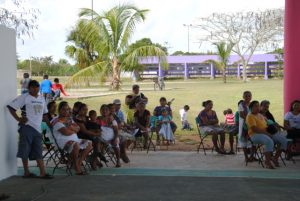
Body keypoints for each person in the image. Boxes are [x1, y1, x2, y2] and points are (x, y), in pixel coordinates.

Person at [7, 80, 53, 179]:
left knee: (38, 150)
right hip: (27, 127)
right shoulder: (24, 97)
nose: (35, 89)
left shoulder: (42, 98)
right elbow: (11, 107)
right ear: (29, 88)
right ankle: (26, 172)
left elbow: (45, 114)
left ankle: (42, 173)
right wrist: (19, 119)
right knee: (25, 149)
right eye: (33, 87)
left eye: (37, 87)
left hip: (38, 128)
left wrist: (50, 125)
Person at [52, 101, 92, 175]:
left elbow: (78, 128)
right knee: (76, 145)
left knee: (89, 143)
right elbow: (66, 132)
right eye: (63, 109)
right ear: (59, 110)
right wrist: (73, 130)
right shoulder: (56, 121)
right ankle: (77, 167)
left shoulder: (69, 119)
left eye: (67, 109)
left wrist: (71, 128)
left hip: (75, 140)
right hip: (63, 143)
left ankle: (78, 163)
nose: (66, 111)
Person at [246, 101, 276, 169]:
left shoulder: (260, 115)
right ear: (251, 108)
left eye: (258, 106)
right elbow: (255, 129)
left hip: (263, 133)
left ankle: (273, 158)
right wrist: (267, 133)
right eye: (255, 106)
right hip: (254, 135)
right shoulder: (250, 116)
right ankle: (267, 162)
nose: (257, 107)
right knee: (269, 141)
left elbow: (269, 122)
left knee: (278, 139)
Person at [74, 103, 103, 170]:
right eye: (83, 109)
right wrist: (95, 134)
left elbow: (92, 124)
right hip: (81, 136)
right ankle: (94, 159)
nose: (85, 111)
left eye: (86, 109)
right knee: (97, 140)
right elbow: (84, 131)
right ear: (79, 110)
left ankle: (94, 158)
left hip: (88, 135)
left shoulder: (86, 117)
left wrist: (97, 131)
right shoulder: (78, 118)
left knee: (99, 140)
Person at [260, 100, 288, 166]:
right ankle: (270, 159)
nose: (266, 108)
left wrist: (280, 127)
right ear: (260, 106)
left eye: (267, 107)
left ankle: (275, 158)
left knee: (284, 141)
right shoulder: (258, 115)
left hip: (274, 132)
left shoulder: (269, 114)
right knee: (282, 141)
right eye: (264, 106)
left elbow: (274, 123)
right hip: (266, 134)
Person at [238, 91, 253, 160]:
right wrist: (248, 120)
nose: (248, 97)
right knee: (244, 140)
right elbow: (241, 115)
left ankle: (252, 156)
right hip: (244, 125)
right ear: (243, 97)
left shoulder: (252, 104)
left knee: (252, 139)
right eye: (246, 96)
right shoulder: (241, 105)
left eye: (249, 96)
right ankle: (246, 157)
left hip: (252, 124)